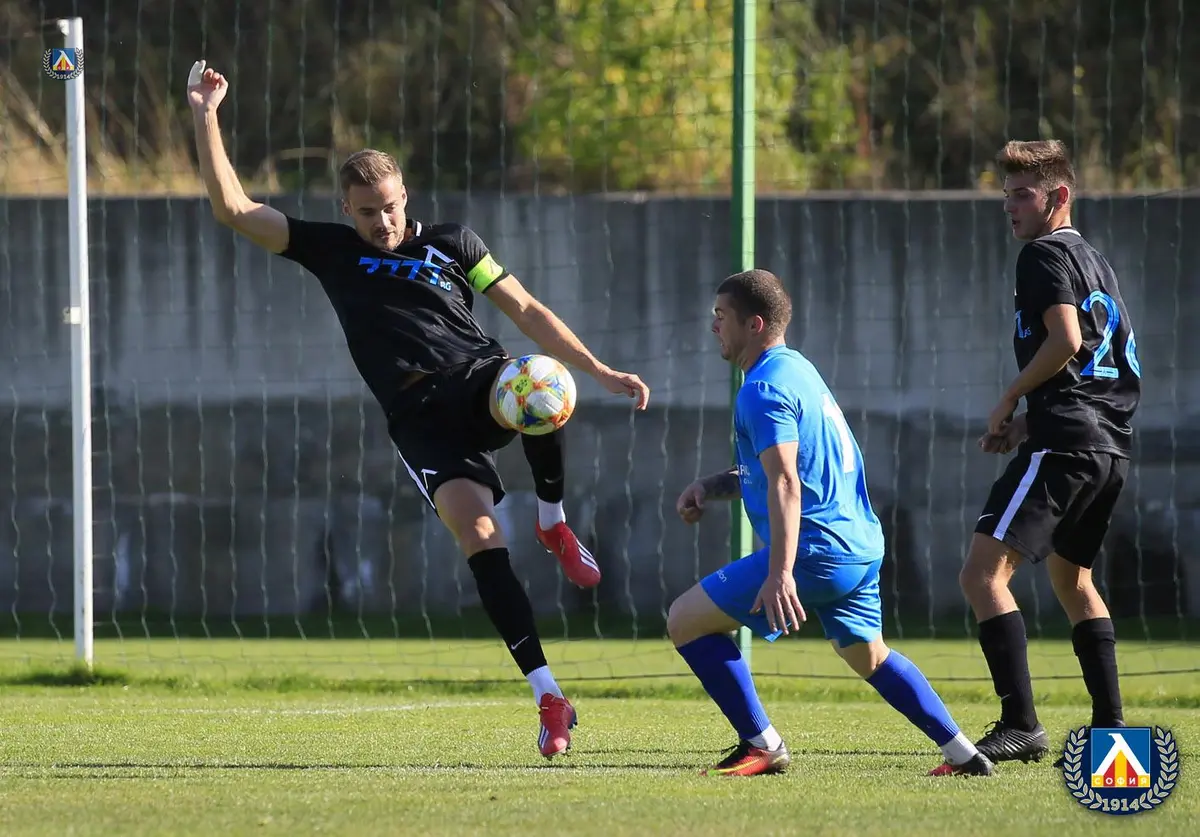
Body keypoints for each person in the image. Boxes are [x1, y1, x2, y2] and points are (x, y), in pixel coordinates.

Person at [186, 60, 651, 759]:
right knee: (482, 537)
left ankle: (552, 520)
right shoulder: (330, 249)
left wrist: (600, 370)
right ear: (346, 209)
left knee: (539, 382)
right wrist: (205, 115)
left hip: (479, 378)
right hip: (420, 419)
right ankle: (549, 695)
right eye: (367, 211)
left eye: (391, 206)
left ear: (406, 195)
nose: (383, 221)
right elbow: (234, 209)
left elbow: (525, 309)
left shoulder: (454, 243)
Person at [667, 269, 993, 777]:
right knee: (871, 658)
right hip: (858, 545)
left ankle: (762, 744)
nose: (713, 326)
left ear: (753, 324)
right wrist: (710, 486)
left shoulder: (762, 390)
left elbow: (786, 481)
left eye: (721, 316)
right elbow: (781, 467)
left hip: (814, 552)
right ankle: (964, 754)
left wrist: (781, 573)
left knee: (685, 620)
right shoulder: (797, 369)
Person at [964, 140, 1141, 766]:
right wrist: (1027, 423)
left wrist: (1011, 397)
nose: (1009, 207)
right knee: (1073, 579)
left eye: (1021, 195)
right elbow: (1094, 362)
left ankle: (1021, 725)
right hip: (1108, 447)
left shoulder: (1042, 254)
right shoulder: (1096, 262)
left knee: (982, 574)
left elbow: (1065, 340)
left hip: (1067, 443)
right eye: (1005, 195)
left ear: (1058, 196)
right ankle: (1111, 729)